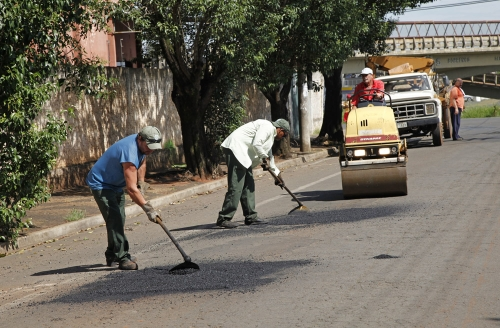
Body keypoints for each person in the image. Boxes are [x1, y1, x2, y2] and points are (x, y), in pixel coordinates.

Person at [86, 126, 163, 270]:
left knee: (118, 219)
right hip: (101, 184)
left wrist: (141, 181)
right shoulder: (129, 152)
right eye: (149, 147)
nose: (151, 150)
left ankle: (112, 254)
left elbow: (142, 161)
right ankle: (122, 257)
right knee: (114, 219)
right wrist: (148, 209)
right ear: (140, 139)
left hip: (114, 185)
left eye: (153, 148)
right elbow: (131, 189)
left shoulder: (142, 147)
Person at [216, 119, 290, 229]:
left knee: (249, 186)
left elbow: (270, 159)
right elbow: (257, 144)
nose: (283, 137)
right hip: (236, 149)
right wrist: (263, 158)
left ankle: (251, 217)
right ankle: (224, 218)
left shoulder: (270, 137)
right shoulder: (267, 126)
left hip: (244, 156)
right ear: (280, 130)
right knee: (236, 187)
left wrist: (278, 177)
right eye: (284, 134)